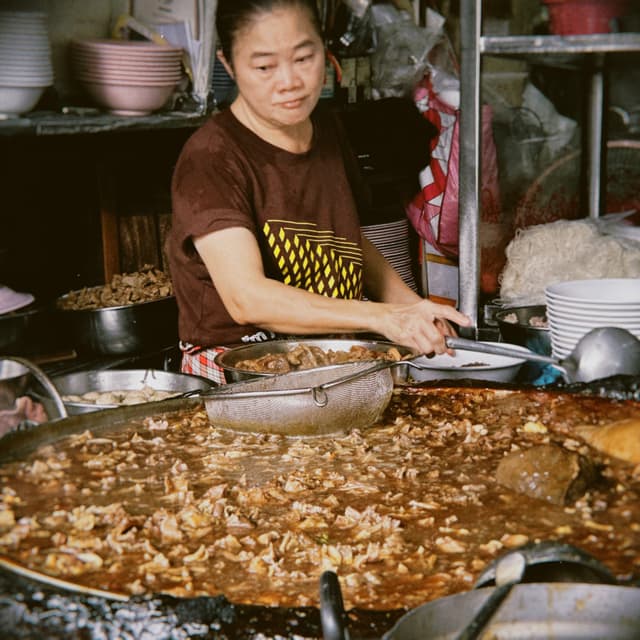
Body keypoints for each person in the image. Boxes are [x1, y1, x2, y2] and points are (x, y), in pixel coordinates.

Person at [166, 0, 471, 383]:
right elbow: (247, 298)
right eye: (264, 67)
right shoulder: (212, 158)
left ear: (324, 51)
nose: (289, 82)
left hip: (332, 354)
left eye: (304, 58)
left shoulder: (325, 129)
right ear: (228, 65)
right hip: (243, 367)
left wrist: (414, 307)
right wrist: (383, 317)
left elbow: (347, 241)